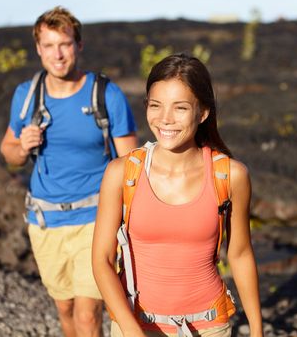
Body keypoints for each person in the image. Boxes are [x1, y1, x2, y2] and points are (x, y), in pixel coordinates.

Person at [92, 53, 263, 337]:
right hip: (135, 326)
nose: (165, 119)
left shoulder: (231, 175)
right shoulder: (120, 173)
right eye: (155, 106)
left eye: (180, 108)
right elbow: (101, 260)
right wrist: (131, 330)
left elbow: (241, 254)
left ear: (203, 112)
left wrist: (257, 330)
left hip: (209, 327)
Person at [0, 6, 138, 337]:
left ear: (78, 45)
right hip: (45, 222)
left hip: (96, 219)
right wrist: (22, 146)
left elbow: (130, 164)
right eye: (49, 46)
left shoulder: (106, 94)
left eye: (64, 44)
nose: (58, 54)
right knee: (65, 308)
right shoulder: (27, 96)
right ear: (38, 49)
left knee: (88, 313)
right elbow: (9, 153)